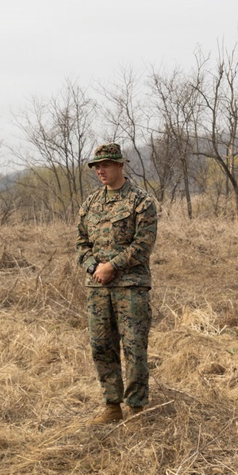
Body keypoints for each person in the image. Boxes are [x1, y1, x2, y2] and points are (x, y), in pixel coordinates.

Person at [76, 143, 159, 424]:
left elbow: (143, 244)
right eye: (97, 166)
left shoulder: (141, 201)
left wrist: (113, 266)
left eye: (106, 165)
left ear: (120, 166)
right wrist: (94, 268)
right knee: (101, 346)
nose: (101, 170)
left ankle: (137, 409)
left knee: (134, 347)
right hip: (98, 288)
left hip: (131, 287)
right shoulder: (90, 204)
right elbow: (80, 243)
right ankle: (112, 405)